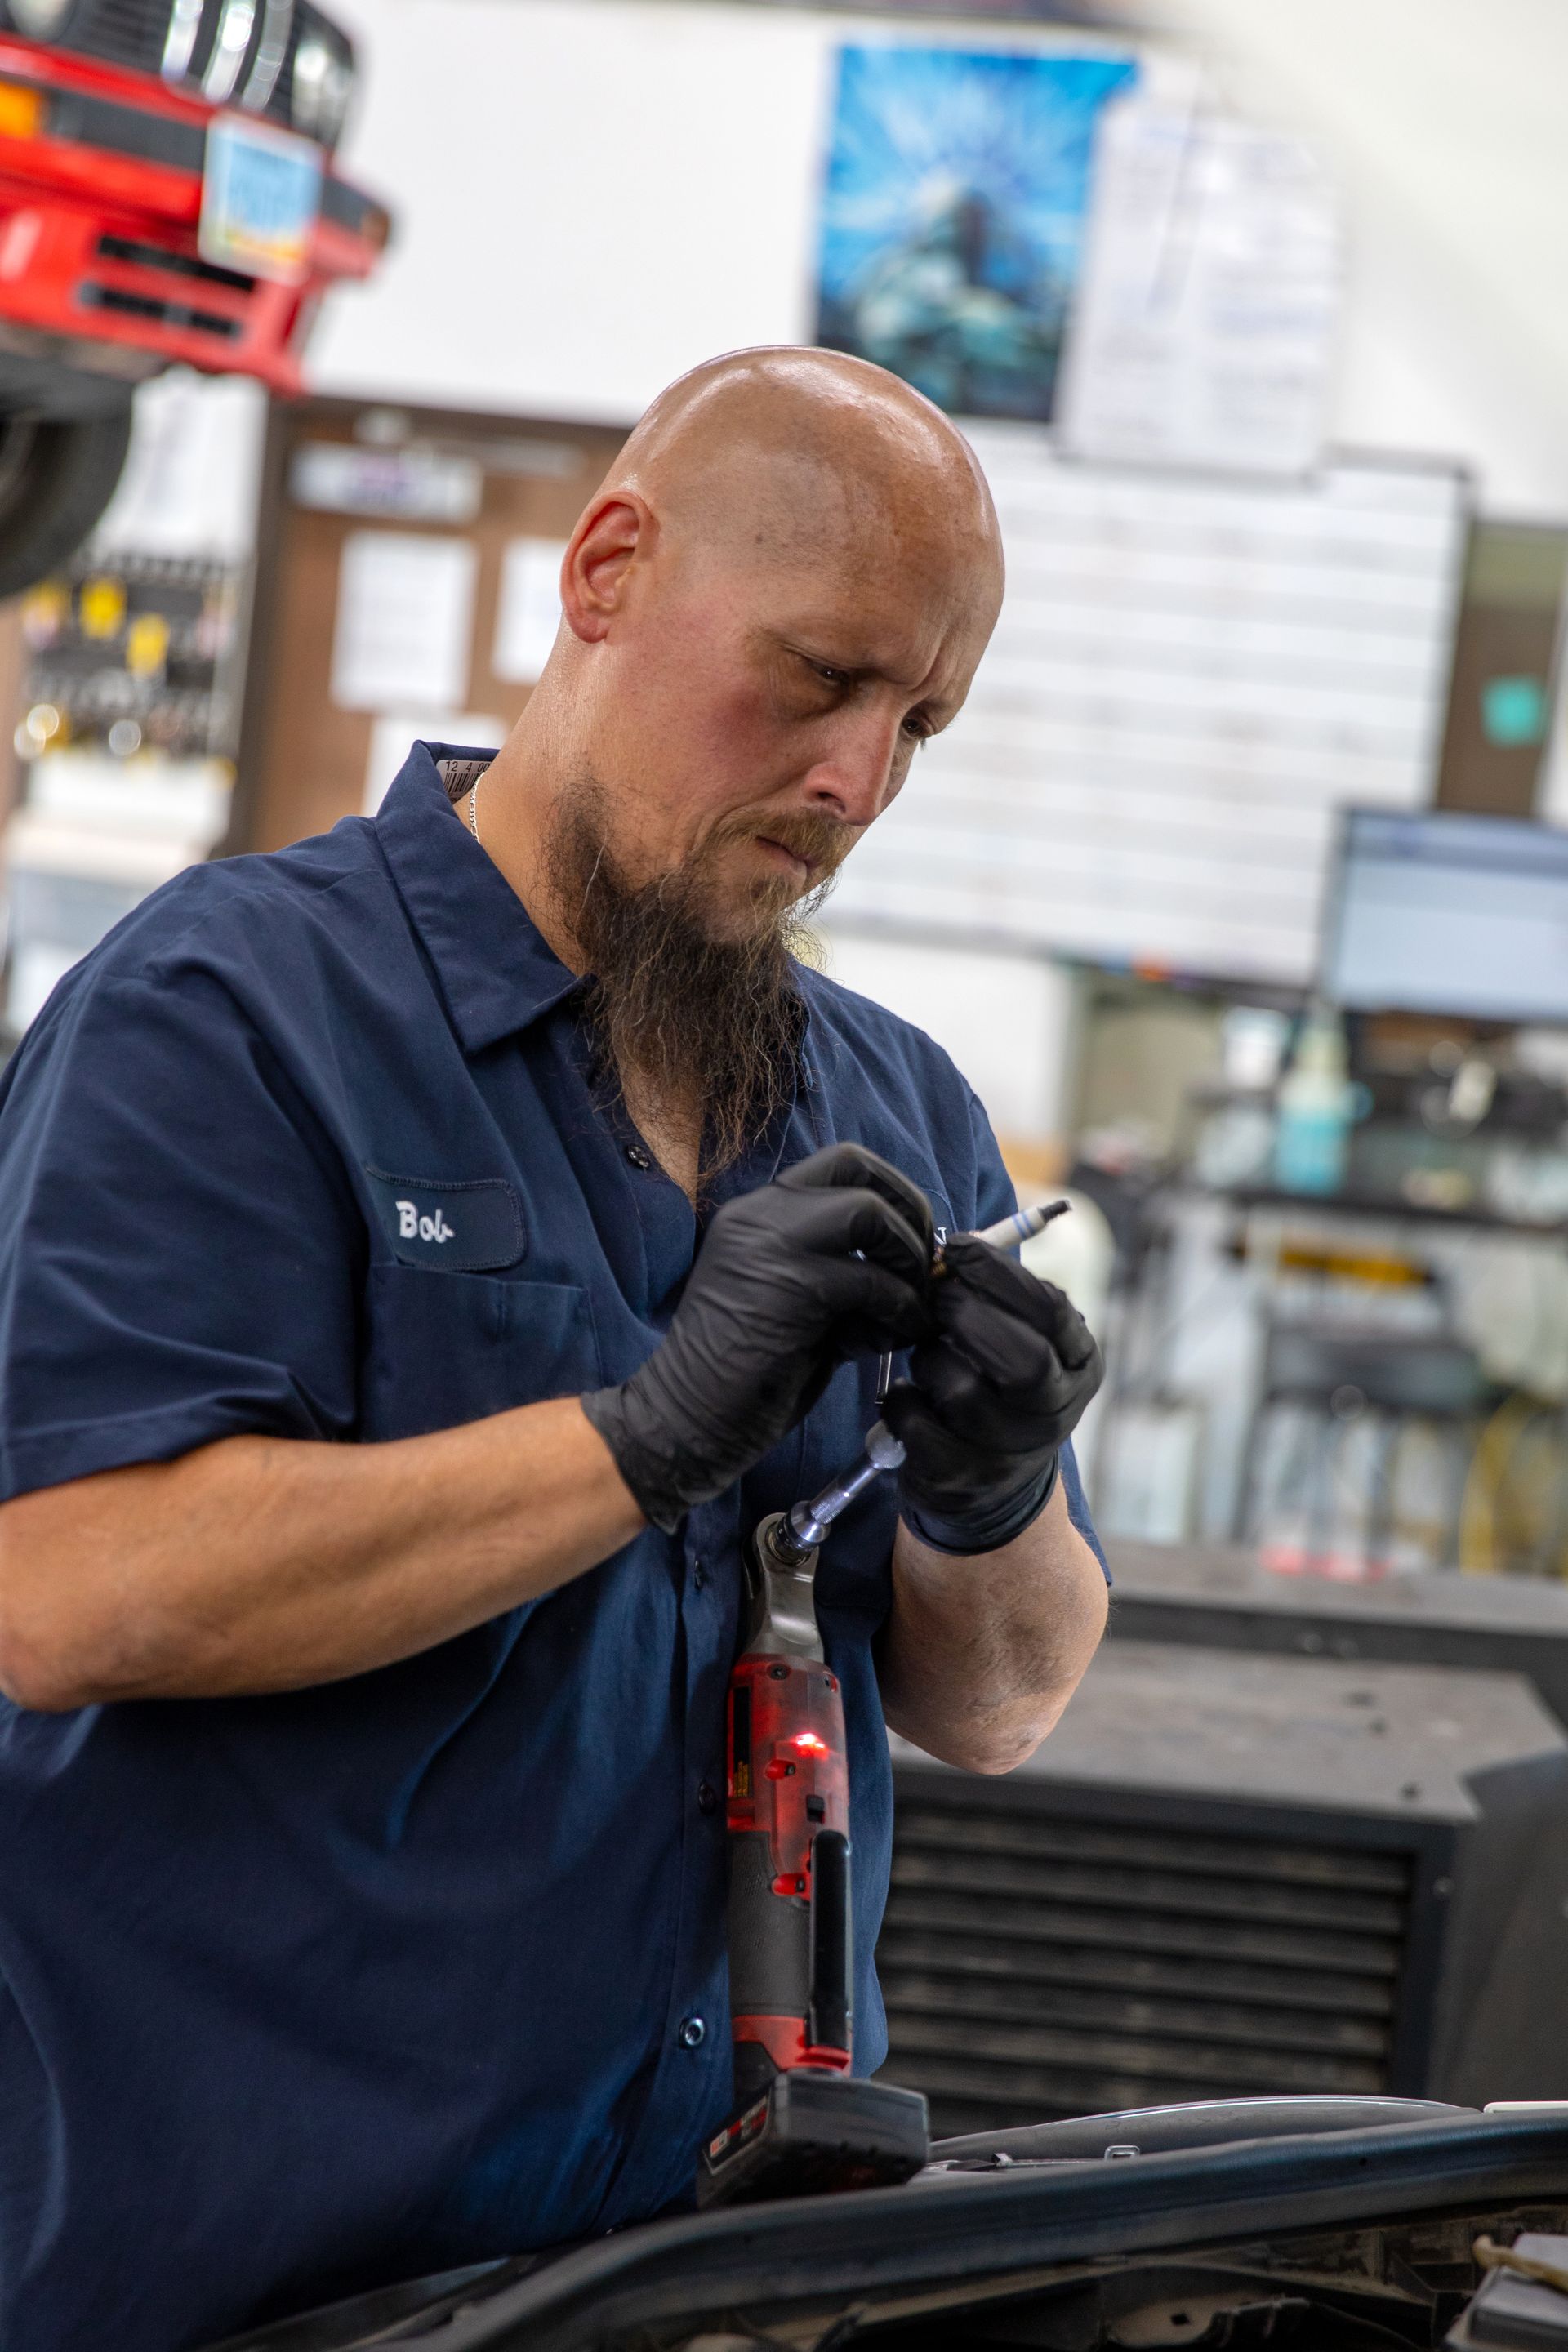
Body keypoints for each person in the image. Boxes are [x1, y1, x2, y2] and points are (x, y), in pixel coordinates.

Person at [0, 347, 1107, 2351]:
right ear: (606, 572)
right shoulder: (229, 1018)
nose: (856, 784)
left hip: (705, 2290)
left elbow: (1005, 1702)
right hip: (249, 2292)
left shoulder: (899, 1106)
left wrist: (992, 1491)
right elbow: (70, 1590)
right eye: (818, 677)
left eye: (918, 724)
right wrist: (644, 1437)